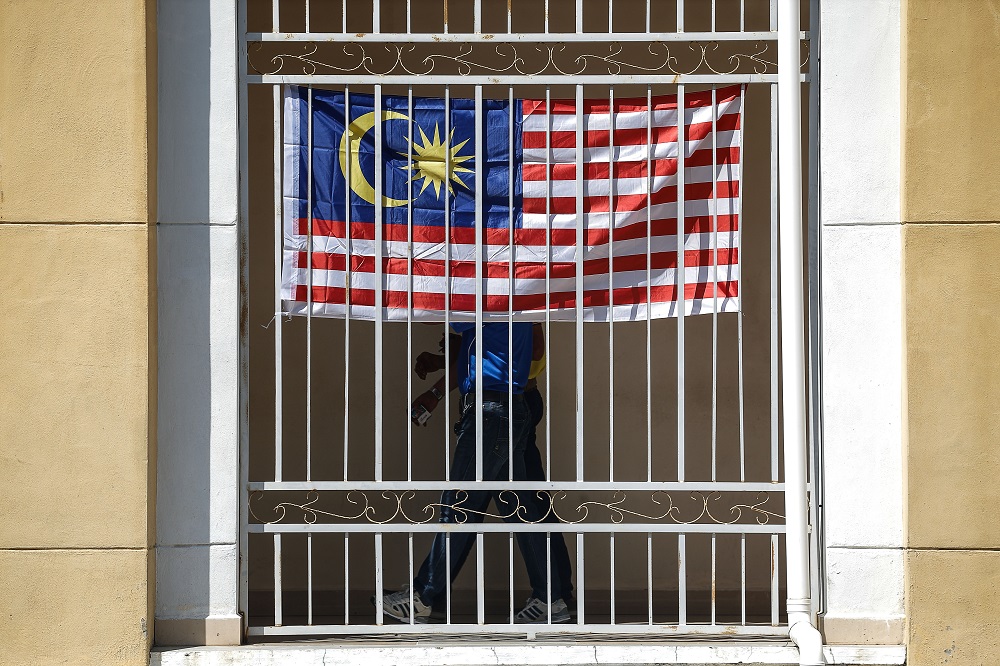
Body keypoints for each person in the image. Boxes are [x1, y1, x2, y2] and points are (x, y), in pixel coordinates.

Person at [376, 322, 569, 624]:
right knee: (520, 505)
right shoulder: (510, 302)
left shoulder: (490, 298)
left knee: (459, 505)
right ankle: (550, 598)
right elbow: (477, 348)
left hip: (490, 410)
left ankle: (424, 597)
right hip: (501, 406)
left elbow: (433, 307)